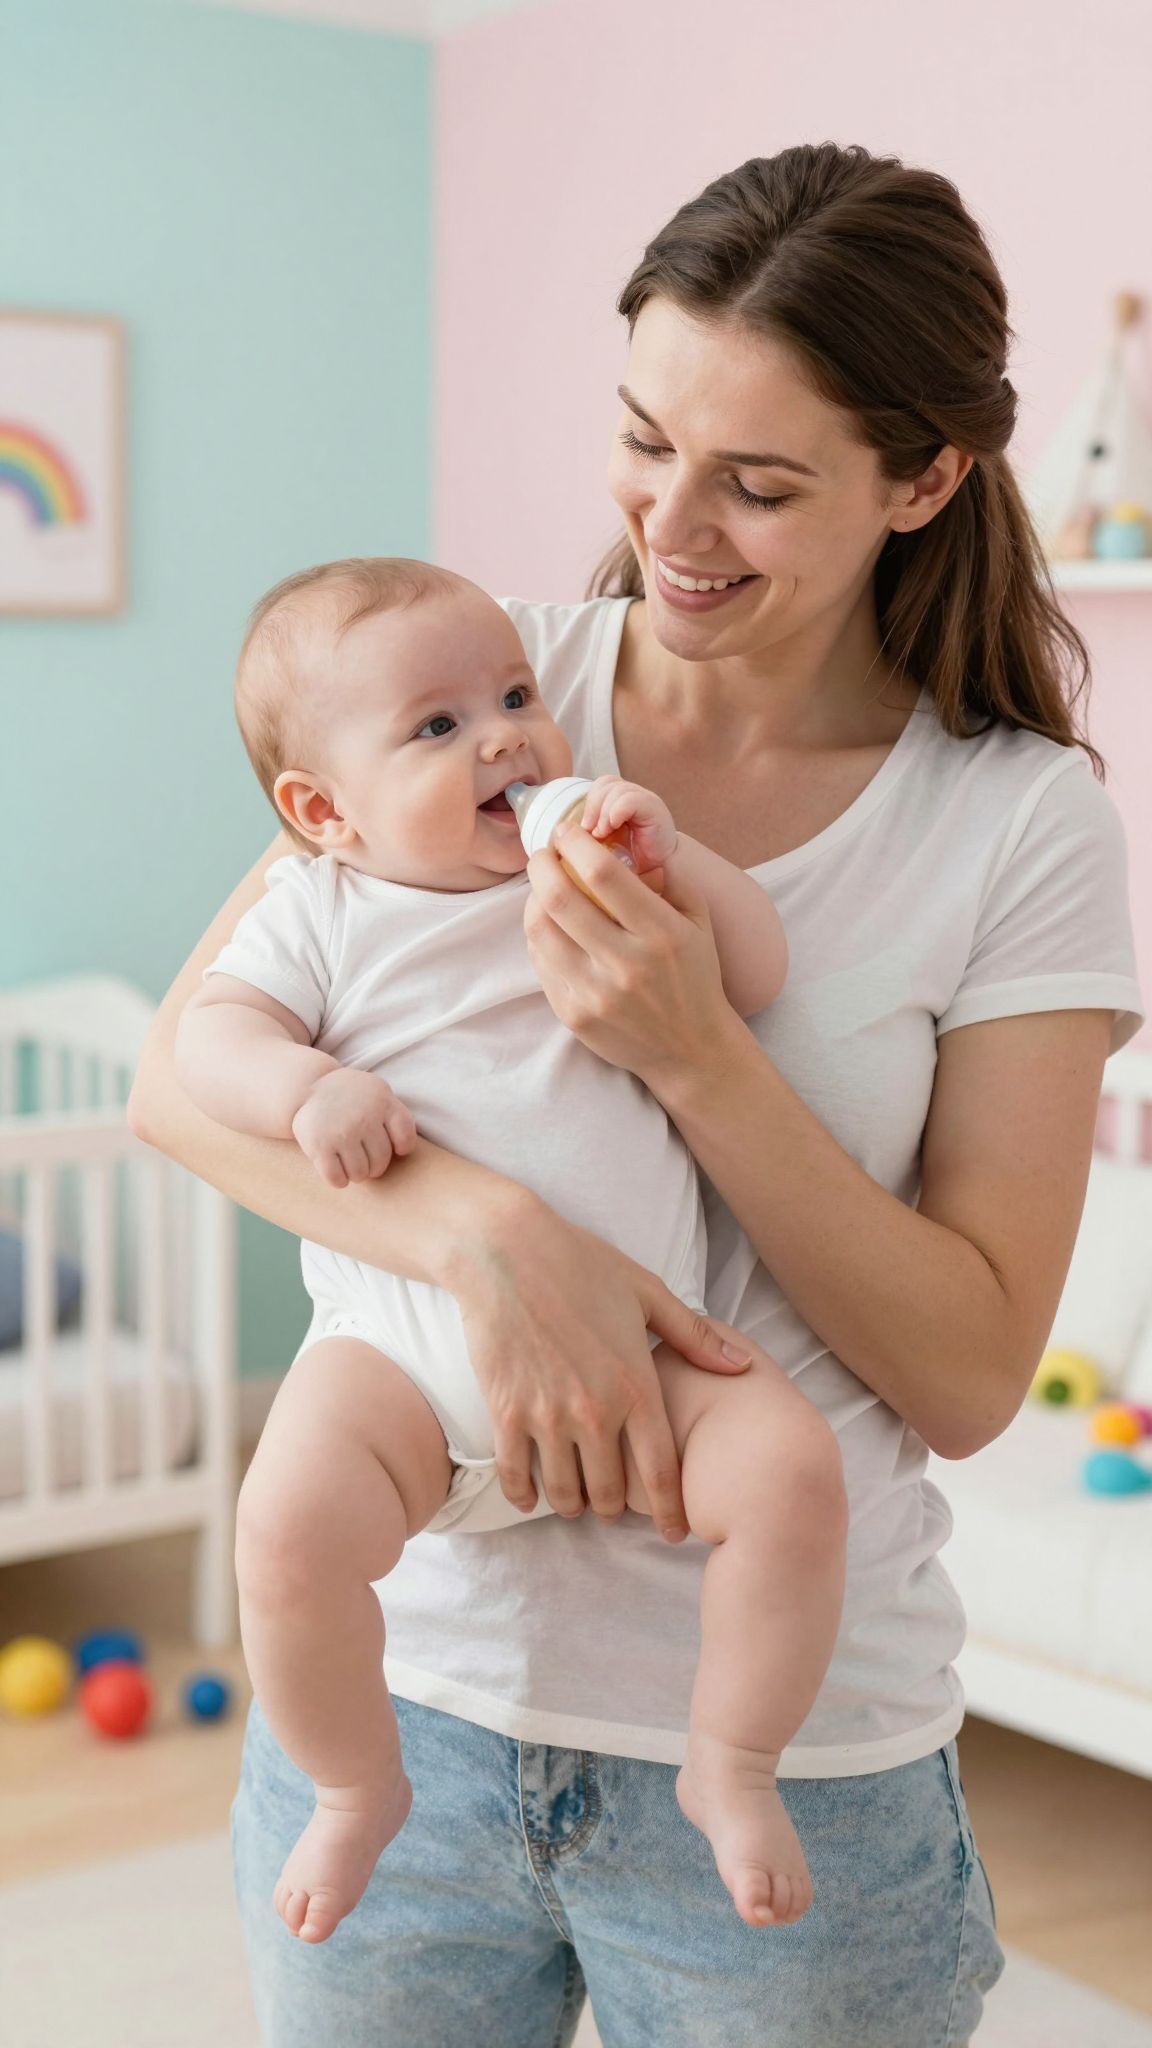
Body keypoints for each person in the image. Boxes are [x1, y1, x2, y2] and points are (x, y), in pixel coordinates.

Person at [130, 143, 1144, 2047]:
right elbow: (184, 1091)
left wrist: (695, 1053)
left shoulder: (1018, 825)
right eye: (644, 440)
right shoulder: (464, 678)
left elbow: (968, 1375)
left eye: (758, 483)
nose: (671, 526)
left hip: (798, 1772)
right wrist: (490, 1237)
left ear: (923, 481)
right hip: (414, 1708)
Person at [172, 555, 840, 1944]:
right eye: (438, 726)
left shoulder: (596, 871)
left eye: (518, 697)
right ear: (324, 812)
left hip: (649, 1356)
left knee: (791, 1476)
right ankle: (354, 1785)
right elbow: (206, 1046)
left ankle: (732, 1762)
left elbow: (760, 974)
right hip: (399, 1366)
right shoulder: (321, 911)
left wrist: (675, 866)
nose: (507, 740)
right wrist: (305, 1090)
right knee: (284, 1531)